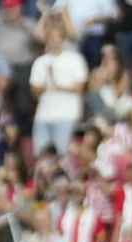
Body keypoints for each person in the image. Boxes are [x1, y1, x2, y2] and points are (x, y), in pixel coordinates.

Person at [29, 24, 89, 155]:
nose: (53, 40)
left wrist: (57, 86)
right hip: (43, 116)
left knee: (62, 156)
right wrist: (50, 83)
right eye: (50, 37)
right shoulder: (40, 62)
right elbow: (34, 89)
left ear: (63, 39)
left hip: (66, 115)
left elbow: (80, 87)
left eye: (56, 37)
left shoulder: (75, 59)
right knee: (40, 155)